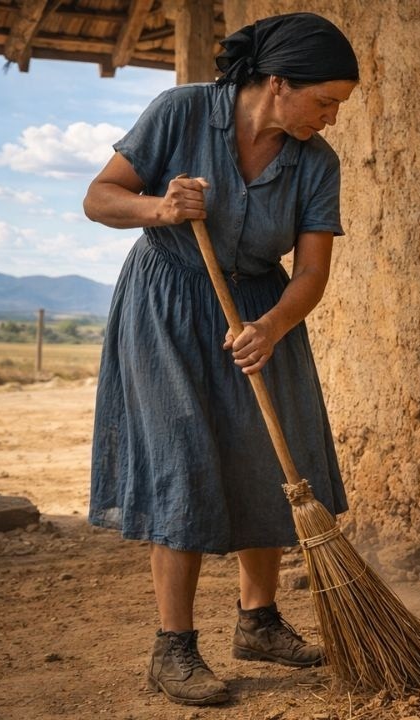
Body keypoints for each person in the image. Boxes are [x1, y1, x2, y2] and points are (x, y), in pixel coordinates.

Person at [83, 12, 359, 706]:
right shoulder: (180, 113)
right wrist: (161, 208)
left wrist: (270, 326)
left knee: (265, 456)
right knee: (180, 457)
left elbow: (312, 272)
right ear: (277, 83)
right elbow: (100, 199)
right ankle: (172, 648)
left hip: (263, 312)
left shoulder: (316, 163)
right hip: (170, 302)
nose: (330, 119)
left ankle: (258, 622)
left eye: (338, 107)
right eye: (323, 102)